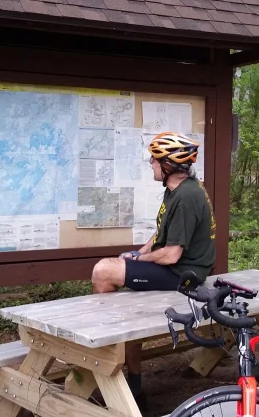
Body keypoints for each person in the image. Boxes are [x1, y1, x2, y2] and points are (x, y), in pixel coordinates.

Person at [91, 131, 217, 409]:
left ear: (168, 165)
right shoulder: (179, 190)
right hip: (178, 267)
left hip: (183, 275)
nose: (150, 163)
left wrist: (138, 263)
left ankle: (105, 351)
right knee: (119, 290)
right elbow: (161, 236)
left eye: (154, 159)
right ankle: (131, 382)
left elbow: (172, 254)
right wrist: (139, 253)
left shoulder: (186, 198)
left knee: (103, 271)